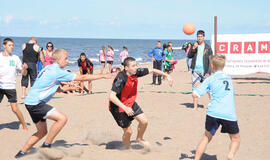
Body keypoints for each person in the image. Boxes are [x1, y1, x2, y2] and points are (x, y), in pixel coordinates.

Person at [15, 49, 113, 158]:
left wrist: (70, 87)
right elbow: (83, 77)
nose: (67, 61)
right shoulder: (57, 71)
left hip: (30, 102)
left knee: (42, 132)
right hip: (36, 103)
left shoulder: (48, 68)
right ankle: (46, 146)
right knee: (62, 119)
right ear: (58, 60)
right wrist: (103, 76)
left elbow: (54, 88)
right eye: (65, 58)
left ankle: (21, 153)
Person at [109, 57, 173, 149]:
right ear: (126, 68)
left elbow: (152, 70)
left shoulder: (136, 72)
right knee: (128, 132)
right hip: (117, 106)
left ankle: (139, 139)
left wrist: (166, 75)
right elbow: (112, 96)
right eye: (133, 66)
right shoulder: (121, 78)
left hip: (129, 102)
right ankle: (127, 149)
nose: (136, 68)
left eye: (136, 65)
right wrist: (125, 108)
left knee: (144, 122)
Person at [192, 55, 240, 160]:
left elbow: (195, 95)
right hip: (228, 113)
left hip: (213, 112)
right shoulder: (229, 78)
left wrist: (198, 87)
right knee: (235, 139)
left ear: (212, 66)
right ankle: (230, 154)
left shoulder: (210, 79)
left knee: (206, 137)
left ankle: (196, 159)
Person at [0, 38, 29, 131]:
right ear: (4, 46)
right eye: (9, 45)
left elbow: (23, 73)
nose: (12, 47)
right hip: (0, 86)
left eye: (12, 45)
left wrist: (24, 68)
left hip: (10, 87)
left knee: (15, 109)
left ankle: (24, 125)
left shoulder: (15, 58)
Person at [188, 30, 213, 110]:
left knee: (209, 89)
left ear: (204, 37)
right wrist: (193, 48)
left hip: (205, 71)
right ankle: (195, 107)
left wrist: (209, 72)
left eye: (201, 36)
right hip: (195, 71)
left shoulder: (208, 47)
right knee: (195, 89)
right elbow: (189, 56)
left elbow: (210, 60)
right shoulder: (194, 45)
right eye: (198, 36)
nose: (199, 38)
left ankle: (213, 105)